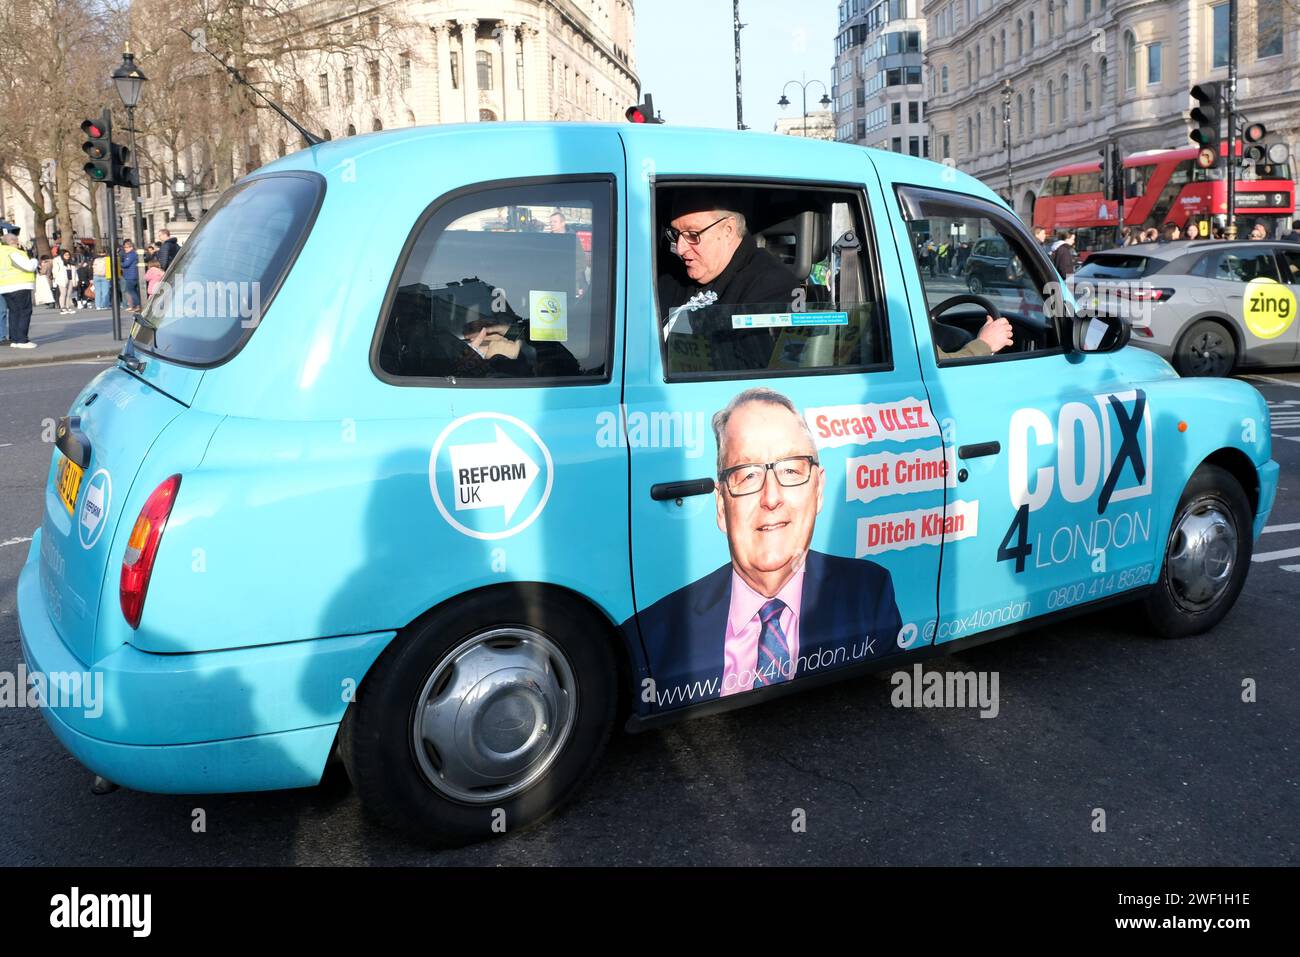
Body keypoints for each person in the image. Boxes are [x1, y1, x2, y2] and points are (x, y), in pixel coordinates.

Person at [628, 387, 902, 702]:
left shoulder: (869, 593)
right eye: (747, 475)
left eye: (790, 470)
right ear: (721, 506)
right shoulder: (656, 632)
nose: (771, 497)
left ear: (819, 490)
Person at [657, 192, 801, 369]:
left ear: (728, 230)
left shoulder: (771, 283)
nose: (680, 248)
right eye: (676, 234)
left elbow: (746, 372)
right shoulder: (673, 275)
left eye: (693, 235)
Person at [0, 230, 39, 348]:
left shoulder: (2, 252)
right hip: (20, 285)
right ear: (13, 242)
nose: (18, 245)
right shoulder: (13, 252)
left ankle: (15, 339)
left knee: (14, 313)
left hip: (5, 286)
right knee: (24, 312)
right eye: (17, 242)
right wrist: (34, 259)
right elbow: (29, 266)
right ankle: (22, 340)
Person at [120, 239, 140, 313]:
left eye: (126, 247)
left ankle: (137, 305)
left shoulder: (131, 254)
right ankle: (135, 305)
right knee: (133, 290)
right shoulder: (132, 254)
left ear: (131, 247)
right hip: (131, 275)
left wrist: (120, 264)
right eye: (124, 247)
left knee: (131, 290)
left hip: (131, 275)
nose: (125, 249)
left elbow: (126, 264)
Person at [52, 250, 75, 314]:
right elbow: (55, 270)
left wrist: (75, 279)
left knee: (69, 294)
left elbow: (74, 271)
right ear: (62, 255)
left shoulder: (70, 261)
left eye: (68, 255)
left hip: (70, 279)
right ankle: (63, 308)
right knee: (63, 293)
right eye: (66, 255)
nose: (68, 256)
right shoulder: (58, 261)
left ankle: (68, 307)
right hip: (62, 279)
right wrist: (55, 278)